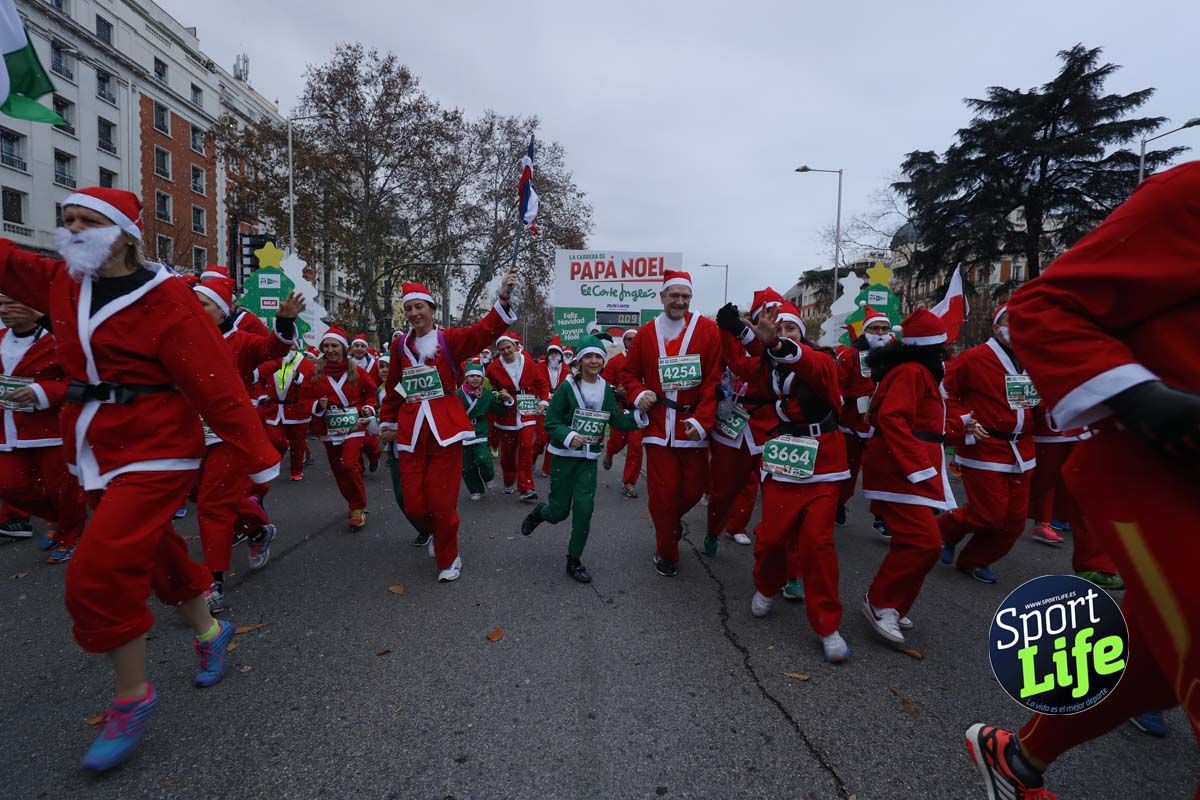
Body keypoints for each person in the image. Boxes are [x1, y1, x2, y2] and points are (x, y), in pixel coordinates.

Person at [0, 186, 281, 771]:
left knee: (98, 570)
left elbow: (216, 385)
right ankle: (209, 632)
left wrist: (258, 456)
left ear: (122, 233)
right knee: (153, 552)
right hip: (94, 446)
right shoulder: (62, 283)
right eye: (66, 219)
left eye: (85, 220)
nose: (72, 228)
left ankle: (131, 697)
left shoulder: (170, 303)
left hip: (157, 447)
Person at [964, 160, 1200, 799]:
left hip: (1039, 449)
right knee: (993, 518)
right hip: (1168, 479)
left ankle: (1018, 759)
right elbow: (1045, 305)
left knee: (1151, 659)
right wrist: (1140, 396)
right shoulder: (1189, 193)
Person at [729, 303, 851, 662]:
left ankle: (827, 626)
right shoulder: (767, 366)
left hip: (824, 462)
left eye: (791, 330)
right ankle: (767, 585)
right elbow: (742, 364)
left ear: (802, 334)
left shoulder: (822, 361)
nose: (784, 335)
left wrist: (778, 345)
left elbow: (806, 363)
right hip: (784, 458)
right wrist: (734, 331)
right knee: (769, 539)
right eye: (778, 331)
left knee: (817, 544)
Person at [379, 275, 518, 582]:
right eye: (410, 308)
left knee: (441, 503)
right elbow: (393, 388)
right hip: (411, 432)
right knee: (413, 503)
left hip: (445, 430)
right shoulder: (400, 344)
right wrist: (388, 420)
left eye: (420, 307)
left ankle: (448, 556)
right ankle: (434, 533)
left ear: (432, 309)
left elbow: (483, 332)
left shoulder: (449, 340)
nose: (415, 313)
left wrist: (503, 300)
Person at [190, 274, 302, 611]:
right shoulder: (181, 339)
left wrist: (283, 323)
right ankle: (257, 529)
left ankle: (213, 582)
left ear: (222, 311)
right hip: (189, 432)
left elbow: (272, 349)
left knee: (212, 503)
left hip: (229, 434)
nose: (195, 310)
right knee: (199, 495)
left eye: (204, 305)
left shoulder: (241, 341)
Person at [859, 308, 958, 647]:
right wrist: (918, 468)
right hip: (900, 471)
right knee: (925, 542)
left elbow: (930, 423)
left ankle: (895, 604)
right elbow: (891, 417)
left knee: (916, 542)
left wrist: (962, 429)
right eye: (945, 347)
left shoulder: (919, 372)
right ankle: (881, 602)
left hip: (913, 468)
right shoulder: (913, 372)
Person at [619, 270, 722, 577]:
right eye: (674, 295)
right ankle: (667, 551)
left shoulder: (708, 330)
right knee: (663, 496)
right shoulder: (646, 334)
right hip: (658, 429)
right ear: (662, 296)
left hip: (693, 428)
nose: (680, 301)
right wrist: (639, 395)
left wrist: (703, 421)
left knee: (693, 491)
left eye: (685, 296)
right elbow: (627, 374)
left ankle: (667, 522)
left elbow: (713, 380)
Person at [521, 335, 643, 583]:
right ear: (579, 360)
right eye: (589, 356)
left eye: (598, 356)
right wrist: (569, 435)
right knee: (559, 512)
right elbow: (552, 422)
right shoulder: (567, 387)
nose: (594, 361)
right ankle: (540, 513)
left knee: (584, 510)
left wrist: (640, 416)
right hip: (564, 458)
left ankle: (574, 560)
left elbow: (616, 419)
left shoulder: (605, 389)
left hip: (588, 460)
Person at [937, 305, 1038, 584]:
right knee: (988, 515)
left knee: (1015, 522)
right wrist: (964, 421)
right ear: (996, 328)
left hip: (1022, 450)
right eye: (1010, 322)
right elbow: (944, 393)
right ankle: (945, 529)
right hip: (985, 446)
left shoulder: (1033, 359)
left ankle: (974, 560)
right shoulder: (974, 358)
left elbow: (1037, 403)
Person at [0, 294, 87, 563]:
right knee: (8, 485)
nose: (4, 310)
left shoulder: (58, 338)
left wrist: (41, 391)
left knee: (60, 489)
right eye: (1, 304)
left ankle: (72, 533)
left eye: (12, 303)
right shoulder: (1, 336)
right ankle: (59, 520)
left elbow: (81, 379)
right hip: (7, 429)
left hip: (49, 431)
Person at [708, 288, 788, 556]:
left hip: (770, 427)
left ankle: (743, 529)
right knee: (723, 489)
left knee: (773, 492)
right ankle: (714, 528)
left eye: (785, 324)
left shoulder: (793, 354)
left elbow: (758, 362)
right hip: (731, 422)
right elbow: (723, 366)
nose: (776, 327)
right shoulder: (730, 345)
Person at [309, 327, 378, 530]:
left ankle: (358, 506)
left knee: (348, 464)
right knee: (339, 469)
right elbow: (303, 398)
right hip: (328, 427)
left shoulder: (357, 371)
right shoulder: (314, 372)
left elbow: (371, 393)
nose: (330, 350)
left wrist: (367, 409)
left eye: (334, 345)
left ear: (343, 348)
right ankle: (352, 502)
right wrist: (316, 405)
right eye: (327, 346)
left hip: (353, 424)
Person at [835, 304, 894, 535]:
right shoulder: (850, 356)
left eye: (884, 328)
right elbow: (837, 386)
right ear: (866, 331)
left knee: (882, 472)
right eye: (875, 328)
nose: (880, 332)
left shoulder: (895, 355)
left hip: (882, 425)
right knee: (848, 470)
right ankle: (839, 502)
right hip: (852, 424)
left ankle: (881, 516)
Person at [486, 332, 550, 502]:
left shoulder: (527, 362)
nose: (506, 351)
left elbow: (541, 382)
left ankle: (526, 487)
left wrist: (543, 401)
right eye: (502, 349)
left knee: (526, 446)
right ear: (498, 351)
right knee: (507, 454)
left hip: (526, 409)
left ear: (515, 346)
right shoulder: (492, 368)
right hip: (506, 416)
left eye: (508, 347)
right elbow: (490, 391)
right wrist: (501, 396)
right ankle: (508, 479)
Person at [254, 349, 316, 481]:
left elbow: (314, 386)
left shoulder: (306, 365)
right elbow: (258, 379)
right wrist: (262, 395)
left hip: (297, 410)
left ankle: (296, 470)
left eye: (291, 343)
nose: (288, 347)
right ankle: (275, 460)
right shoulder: (269, 362)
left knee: (297, 444)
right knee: (274, 439)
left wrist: (300, 379)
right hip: (274, 408)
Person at [459, 359, 512, 499]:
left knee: (483, 458)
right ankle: (475, 489)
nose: (475, 379)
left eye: (478, 376)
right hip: (463, 431)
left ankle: (488, 477)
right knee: (466, 465)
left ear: (482, 378)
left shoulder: (488, 394)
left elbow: (498, 409)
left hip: (480, 430)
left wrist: (506, 400)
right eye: (471, 376)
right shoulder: (458, 394)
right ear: (466, 377)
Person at [601, 328, 644, 498]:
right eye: (629, 339)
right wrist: (615, 391)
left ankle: (629, 482)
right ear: (624, 341)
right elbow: (604, 384)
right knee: (618, 441)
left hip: (638, 410)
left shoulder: (646, 361)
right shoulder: (615, 362)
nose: (632, 342)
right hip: (619, 408)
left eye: (635, 339)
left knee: (636, 446)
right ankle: (610, 453)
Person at [535, 335, 570, 478]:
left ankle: (547, 468)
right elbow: (534, 384)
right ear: (548, 354)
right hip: (541, 406)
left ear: (561, 355)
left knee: (553, 440)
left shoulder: (567, 370)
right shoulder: (539, 367)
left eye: (557, 353)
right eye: (552, 353)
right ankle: (531, 459)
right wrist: (544, 396)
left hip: (557, 409)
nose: (554, 356)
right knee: (540, 439)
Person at [349, 333, 382, 472]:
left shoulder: (374, 365)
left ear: (366, 349)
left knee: (369, 441)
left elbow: (381, 382)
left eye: (362, 346)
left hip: (370, 404)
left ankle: (374, 457)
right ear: (351, 348)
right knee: (353, 440)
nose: (359, 349)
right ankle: (359, 467)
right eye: (356, 345)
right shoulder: (345, 363)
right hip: (350, 406)